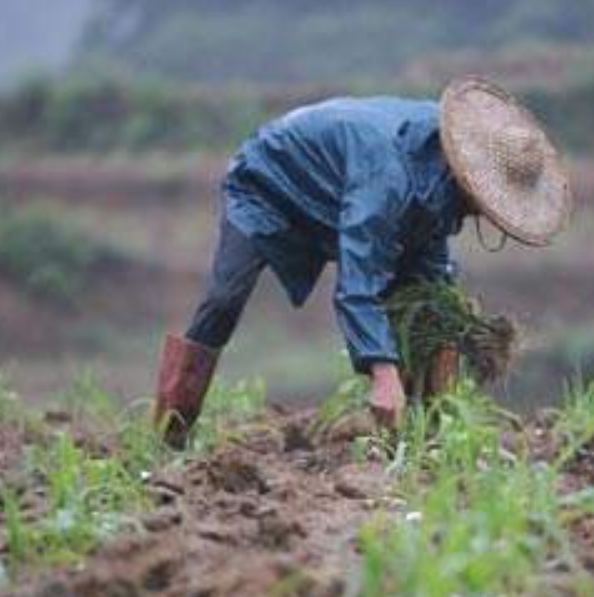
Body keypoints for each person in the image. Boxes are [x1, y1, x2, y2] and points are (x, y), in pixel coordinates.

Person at [153, 76, 572, 449]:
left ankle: (421, 435)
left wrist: (454, 321)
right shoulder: (386, 179)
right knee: (224, 299)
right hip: (269, 182)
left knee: (428, 305)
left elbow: (430, 247)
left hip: (341, 189)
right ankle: (171, 432)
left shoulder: (447, 167)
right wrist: (383, 375)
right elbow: (358, 282)